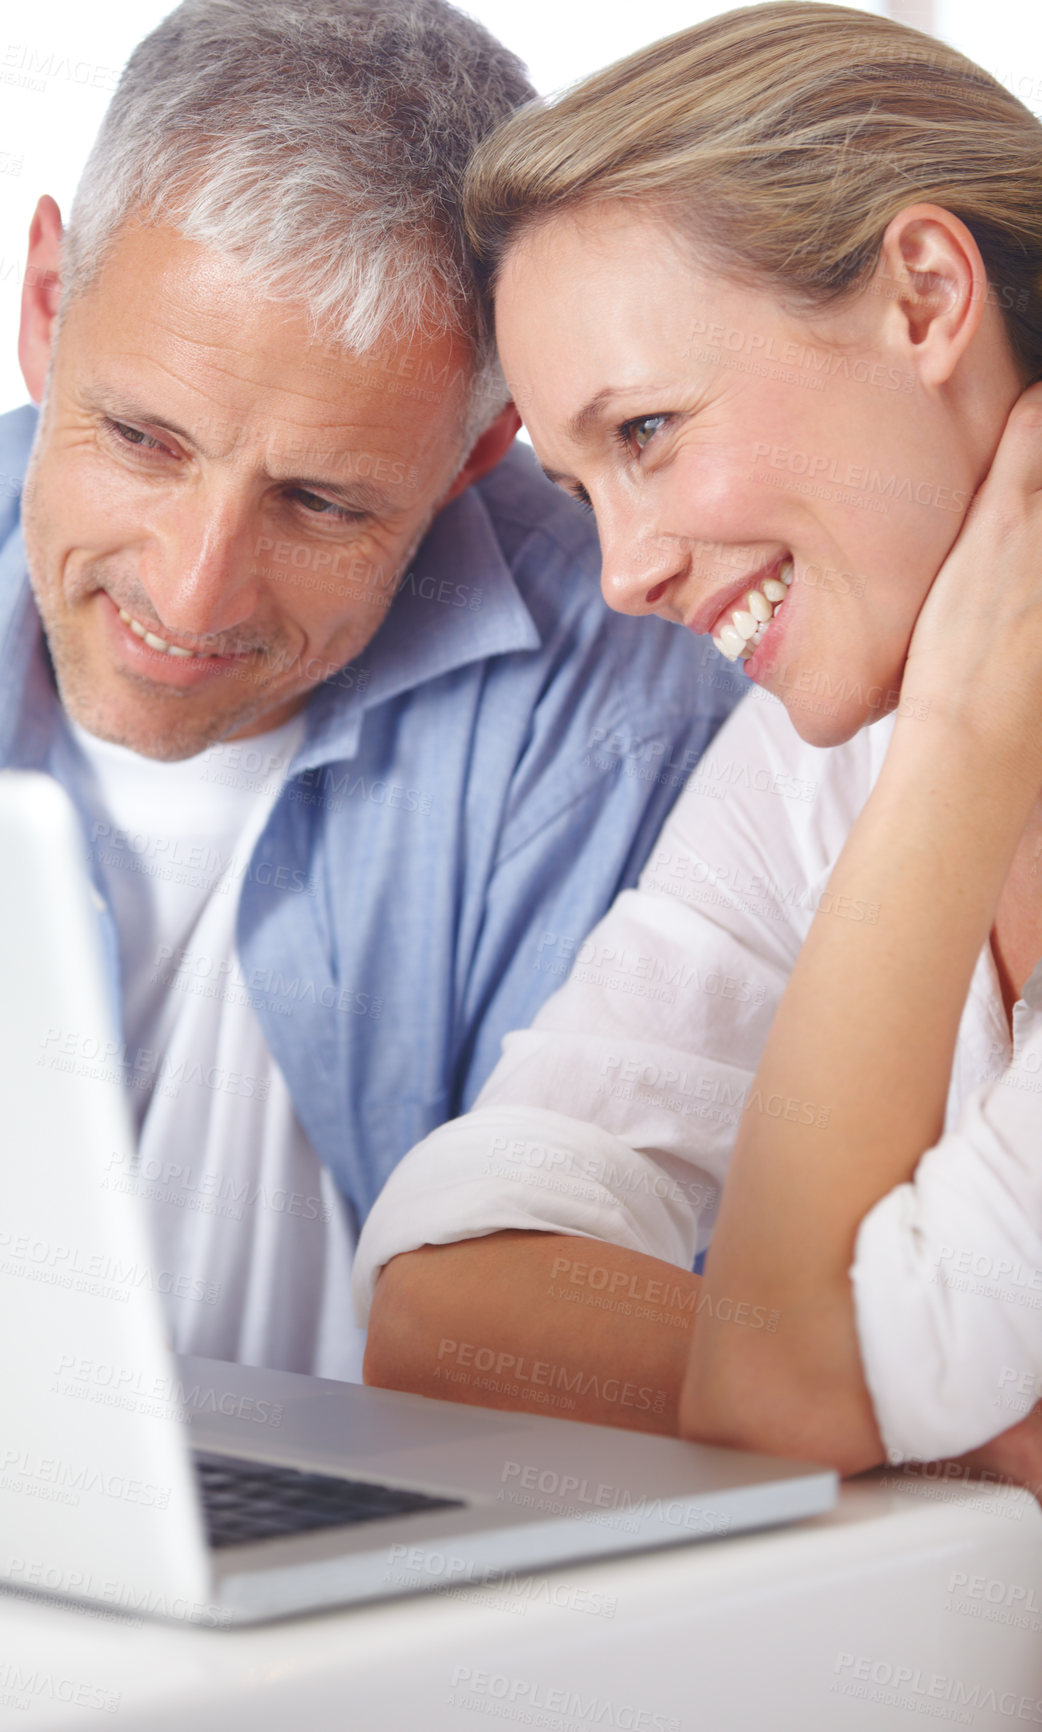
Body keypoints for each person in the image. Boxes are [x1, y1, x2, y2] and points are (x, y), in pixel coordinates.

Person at [0, 0, 744, 1382]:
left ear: (475, 457)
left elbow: (608, 1337)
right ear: (47, 307)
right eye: (142, 438)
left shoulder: (630, 702)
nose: (194, 590)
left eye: (320, 501)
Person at [357, 0, 1042, 1484]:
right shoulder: (822, 748)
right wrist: (972, 1426)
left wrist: (959, 752)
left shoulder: (907, 727)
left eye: (648, 431)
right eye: (582, 483)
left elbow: (780, 1390)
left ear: (924, 297)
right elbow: (445, 1295)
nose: (623, 574)